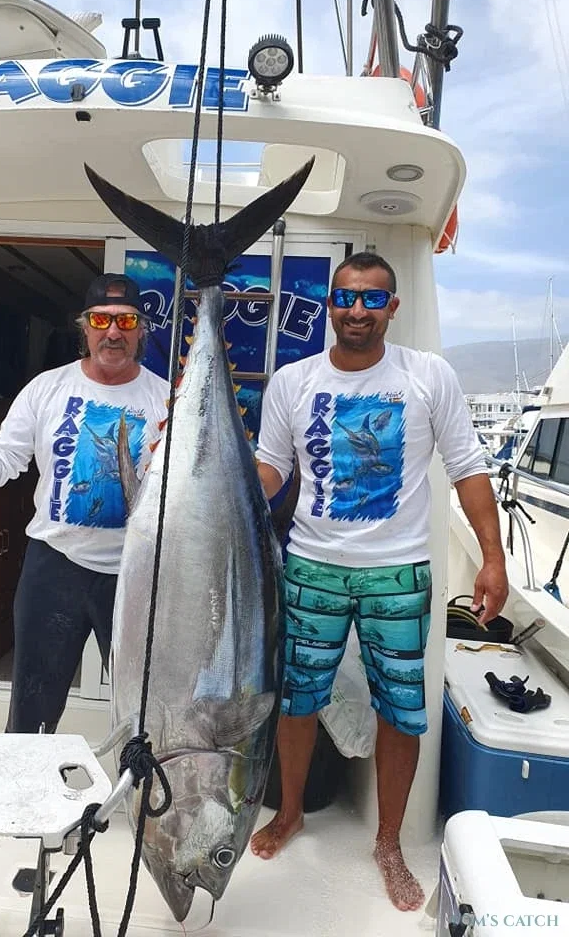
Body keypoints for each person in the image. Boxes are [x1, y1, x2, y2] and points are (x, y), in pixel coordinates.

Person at [250, 251, 508, 911]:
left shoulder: (428, 375)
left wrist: (493, 558)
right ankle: (290, 814)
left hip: (399, 572)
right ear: (330, 306)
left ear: (393, 307)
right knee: (297, 700)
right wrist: (217, 482)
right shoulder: (293, 381)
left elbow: (469, 466)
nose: (357, 310)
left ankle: (388, 842)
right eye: (346, 297)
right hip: (311, 566)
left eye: (371, 298)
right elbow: (271, 468)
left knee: (400, 711)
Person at [0, 273, 168, 734]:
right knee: (31, 713)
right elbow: (0, 460)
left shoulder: (165, 400)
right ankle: (25, 781)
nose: (113, 332)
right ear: (84, 326)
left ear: (141, 329)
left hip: (137, 572)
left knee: (147, 714)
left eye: (125, 321)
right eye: (101, 320)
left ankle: (138, 780)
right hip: (54, 567)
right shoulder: (47, 388)